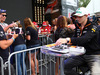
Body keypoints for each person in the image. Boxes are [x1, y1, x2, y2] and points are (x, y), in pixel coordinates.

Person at [55, 7, 100, 75]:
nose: (77, 18)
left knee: (96, 73)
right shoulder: (77, 24)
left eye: (80, 16)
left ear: (86, 16)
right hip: (80, 54)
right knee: (63, 66)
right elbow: (75, 37)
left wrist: (67, 39)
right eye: (76, 17)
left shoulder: (93, 26)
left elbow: (85, 38)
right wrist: (68, 44)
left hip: (93, 55)